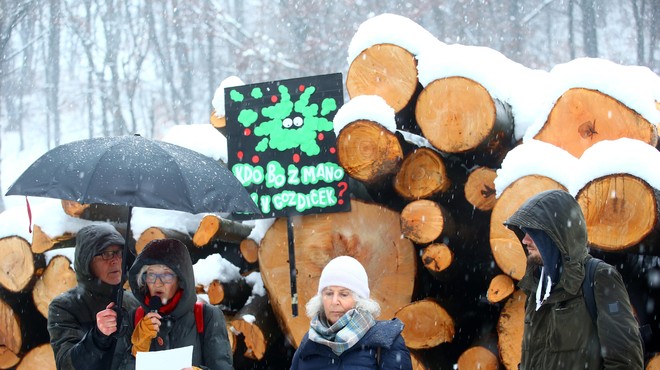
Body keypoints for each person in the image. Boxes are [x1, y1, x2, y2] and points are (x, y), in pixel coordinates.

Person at [504, 189, 644, 369]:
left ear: (556, 235)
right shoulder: (538, 288)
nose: (525, 240)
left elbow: (626, 362)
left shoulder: (599, 277)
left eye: (533, 233)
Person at [127, 238, 233, 370]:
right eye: (151, 274)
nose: (157, 283)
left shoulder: (207, 316)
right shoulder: (134, 318)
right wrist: (138, 350)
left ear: (181, 279)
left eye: (166, 275)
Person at [290, 255, 412, 369]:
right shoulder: (309, 341)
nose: (334, 301)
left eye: (343, 294)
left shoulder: (385, 341)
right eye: (329, 293)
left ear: (359, 300)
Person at [48, 223, 140, 370]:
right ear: (87, 261)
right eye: (106, 254)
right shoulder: (65, 307)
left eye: (119, 252)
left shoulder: (134, 302)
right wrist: (98, 337)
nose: (115, 260)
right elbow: (66, 364)